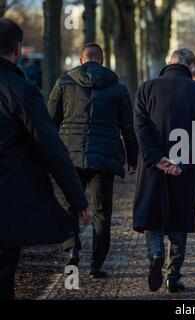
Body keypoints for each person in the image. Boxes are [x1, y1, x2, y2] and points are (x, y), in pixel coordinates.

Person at [0, 18, 90, 300]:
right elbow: (51, 149)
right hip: (7, 201)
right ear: (17, 49)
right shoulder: (21, 90)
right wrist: (78, 200)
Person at [48, 43, 138, 278]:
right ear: (102, 60)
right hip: (105, 157)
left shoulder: (64, 83)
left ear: (81, 60)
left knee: (70, 205)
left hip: (71, 156)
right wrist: (133, 158)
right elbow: (128, 127)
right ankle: (96, 264)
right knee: (102, 211)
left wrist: (50, 156)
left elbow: (50, 123)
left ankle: (72, 250)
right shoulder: (118, 88)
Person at [133, 48, 195, 293]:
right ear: (192, 66)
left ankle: (156, 254)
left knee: (151, 213)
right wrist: (182, 162)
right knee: (179, 218)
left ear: (169, 62)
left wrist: (156, 158)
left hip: (152, 166)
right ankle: (172, 276)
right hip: (184, 168)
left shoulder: (147, 87)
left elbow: (140, 127)